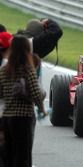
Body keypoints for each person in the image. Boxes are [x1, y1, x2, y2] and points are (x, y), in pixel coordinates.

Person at [0, 35, 47, 167]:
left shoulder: (4, 70)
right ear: (27, 49)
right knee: (23, 156)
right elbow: (36, 93)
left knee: (8, 155)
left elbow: (0, 93)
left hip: (7, 118)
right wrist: (42, 109)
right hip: (23, 118)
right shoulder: (27, 69)